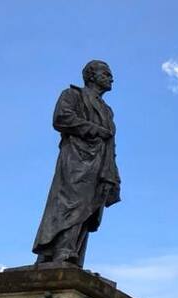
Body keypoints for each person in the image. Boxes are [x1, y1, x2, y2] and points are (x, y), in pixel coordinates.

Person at [33, 60, 121, 267]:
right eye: (106, 73)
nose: (111, 78)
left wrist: (113, 174)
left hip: (100, 163)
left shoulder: (107, 111)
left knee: (89, 209)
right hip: (76, 160)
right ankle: (57, 250)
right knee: (69, 203)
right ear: (91, 75)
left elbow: (111, 145)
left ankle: (70, 252)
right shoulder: (73, 95)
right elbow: (61, 118)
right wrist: (93, 129)